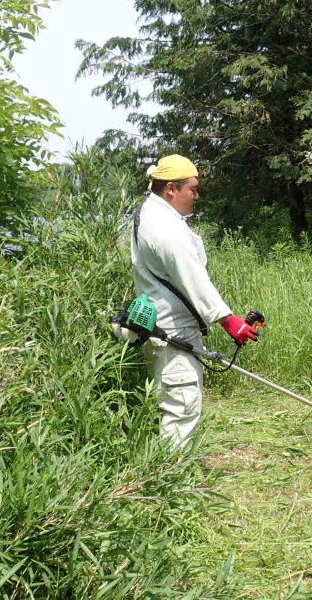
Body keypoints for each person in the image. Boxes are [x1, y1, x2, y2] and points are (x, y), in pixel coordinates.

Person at [131, 154, 258, 450]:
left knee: (173, 404)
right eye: (193, 189)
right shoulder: (166, 229)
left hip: (163, 327)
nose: (196, 196)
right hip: (172, 332)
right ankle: (172, 483)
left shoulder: (150, 213)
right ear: (171, 189)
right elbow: (192, 277)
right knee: (182, 406)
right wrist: (228, 320)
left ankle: (168, 475)